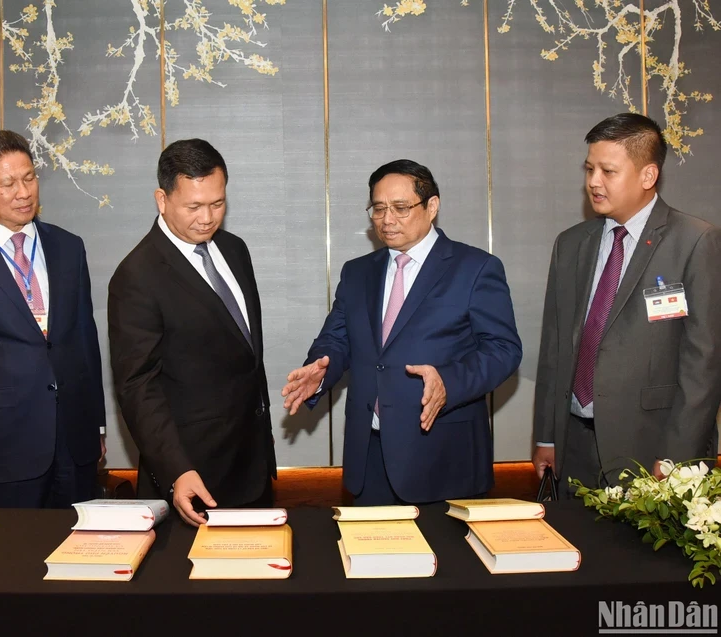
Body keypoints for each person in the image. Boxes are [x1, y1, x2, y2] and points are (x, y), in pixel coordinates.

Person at [282, 159, 522, 505]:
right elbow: (338, 338)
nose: (387, 219)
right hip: (370, 456)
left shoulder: (475, 268)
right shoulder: (358, 272)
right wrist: (321, 370)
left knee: (450, 559)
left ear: (432, 206)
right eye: (378, 209)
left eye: (400, 208)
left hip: (443, 455)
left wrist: (449, 382)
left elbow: (503, 350)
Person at [532, 113, 721, 498]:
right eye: (589, 169)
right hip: (575, 447)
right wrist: (547, 436)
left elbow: (703, 363)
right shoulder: (570, 244)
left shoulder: (695, 241)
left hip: (652, 449)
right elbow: (554, 349)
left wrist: (677, 458)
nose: (593, 182)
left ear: (648, 176)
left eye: (608, 171)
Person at [0, 130, 106, 507]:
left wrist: (98, 426)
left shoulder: (68, 246)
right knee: (15, 560)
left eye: (29, 178)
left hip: (75, 443)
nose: (24, 192)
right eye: (8, 183)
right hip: (1, 448)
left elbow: (85, 342)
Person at [108, 138, 276, 526]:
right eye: (194, 206)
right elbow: (137, 385)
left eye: (217, 203)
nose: (207, 217)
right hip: (192, 475)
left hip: (250, 465)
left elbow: (245, 355)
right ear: (162, 200)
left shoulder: (234, 249)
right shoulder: (137, 276)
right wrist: (176, 470)